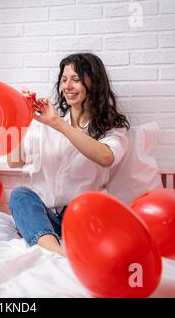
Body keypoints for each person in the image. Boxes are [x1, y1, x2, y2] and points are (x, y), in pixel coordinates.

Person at [7, 53, 130, 257]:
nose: (68, 86)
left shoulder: (111, 126)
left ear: (94, 82)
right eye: (64, 80)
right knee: (20, 196)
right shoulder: (47, 123)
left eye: (76, 79)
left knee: (95, 208)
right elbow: (14, 161)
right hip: (45, 214)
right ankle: (56, 250)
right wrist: (18, 120)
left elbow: (106, 157)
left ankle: (46, 240)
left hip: (82, 214)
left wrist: (58, 124)